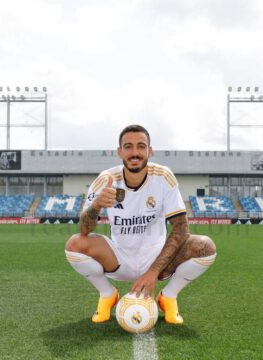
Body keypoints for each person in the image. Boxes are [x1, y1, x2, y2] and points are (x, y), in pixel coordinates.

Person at [64, 124, 217, 325]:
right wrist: (97, 205)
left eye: (141, 146)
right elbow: (84, 229)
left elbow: (181, 229)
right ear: (119, 152)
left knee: (205, 247)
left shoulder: (163, 177)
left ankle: (168, 297)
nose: (134, 152)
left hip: (157, 258)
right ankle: (107, 294)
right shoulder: (106, 179)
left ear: (149, 151)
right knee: (75, 244)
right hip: (119, 257)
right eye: (128, 146)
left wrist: (153, 272)